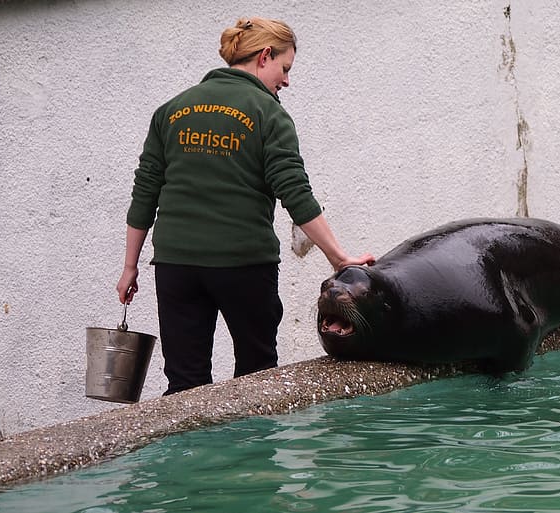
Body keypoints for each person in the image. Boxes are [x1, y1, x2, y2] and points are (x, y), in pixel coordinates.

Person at [116, 17, 374, 395]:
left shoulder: (171, 111)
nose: (286, 81)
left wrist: (129, 267)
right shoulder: (268, 113)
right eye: (284, 69)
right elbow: (296, 194)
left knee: (185, 385)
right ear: (264, 56)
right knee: (257, 380)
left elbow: (145, 194)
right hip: (243, 265)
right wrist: (339, 259)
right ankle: (250, 454)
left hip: (176, 267)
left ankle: (191, 454)